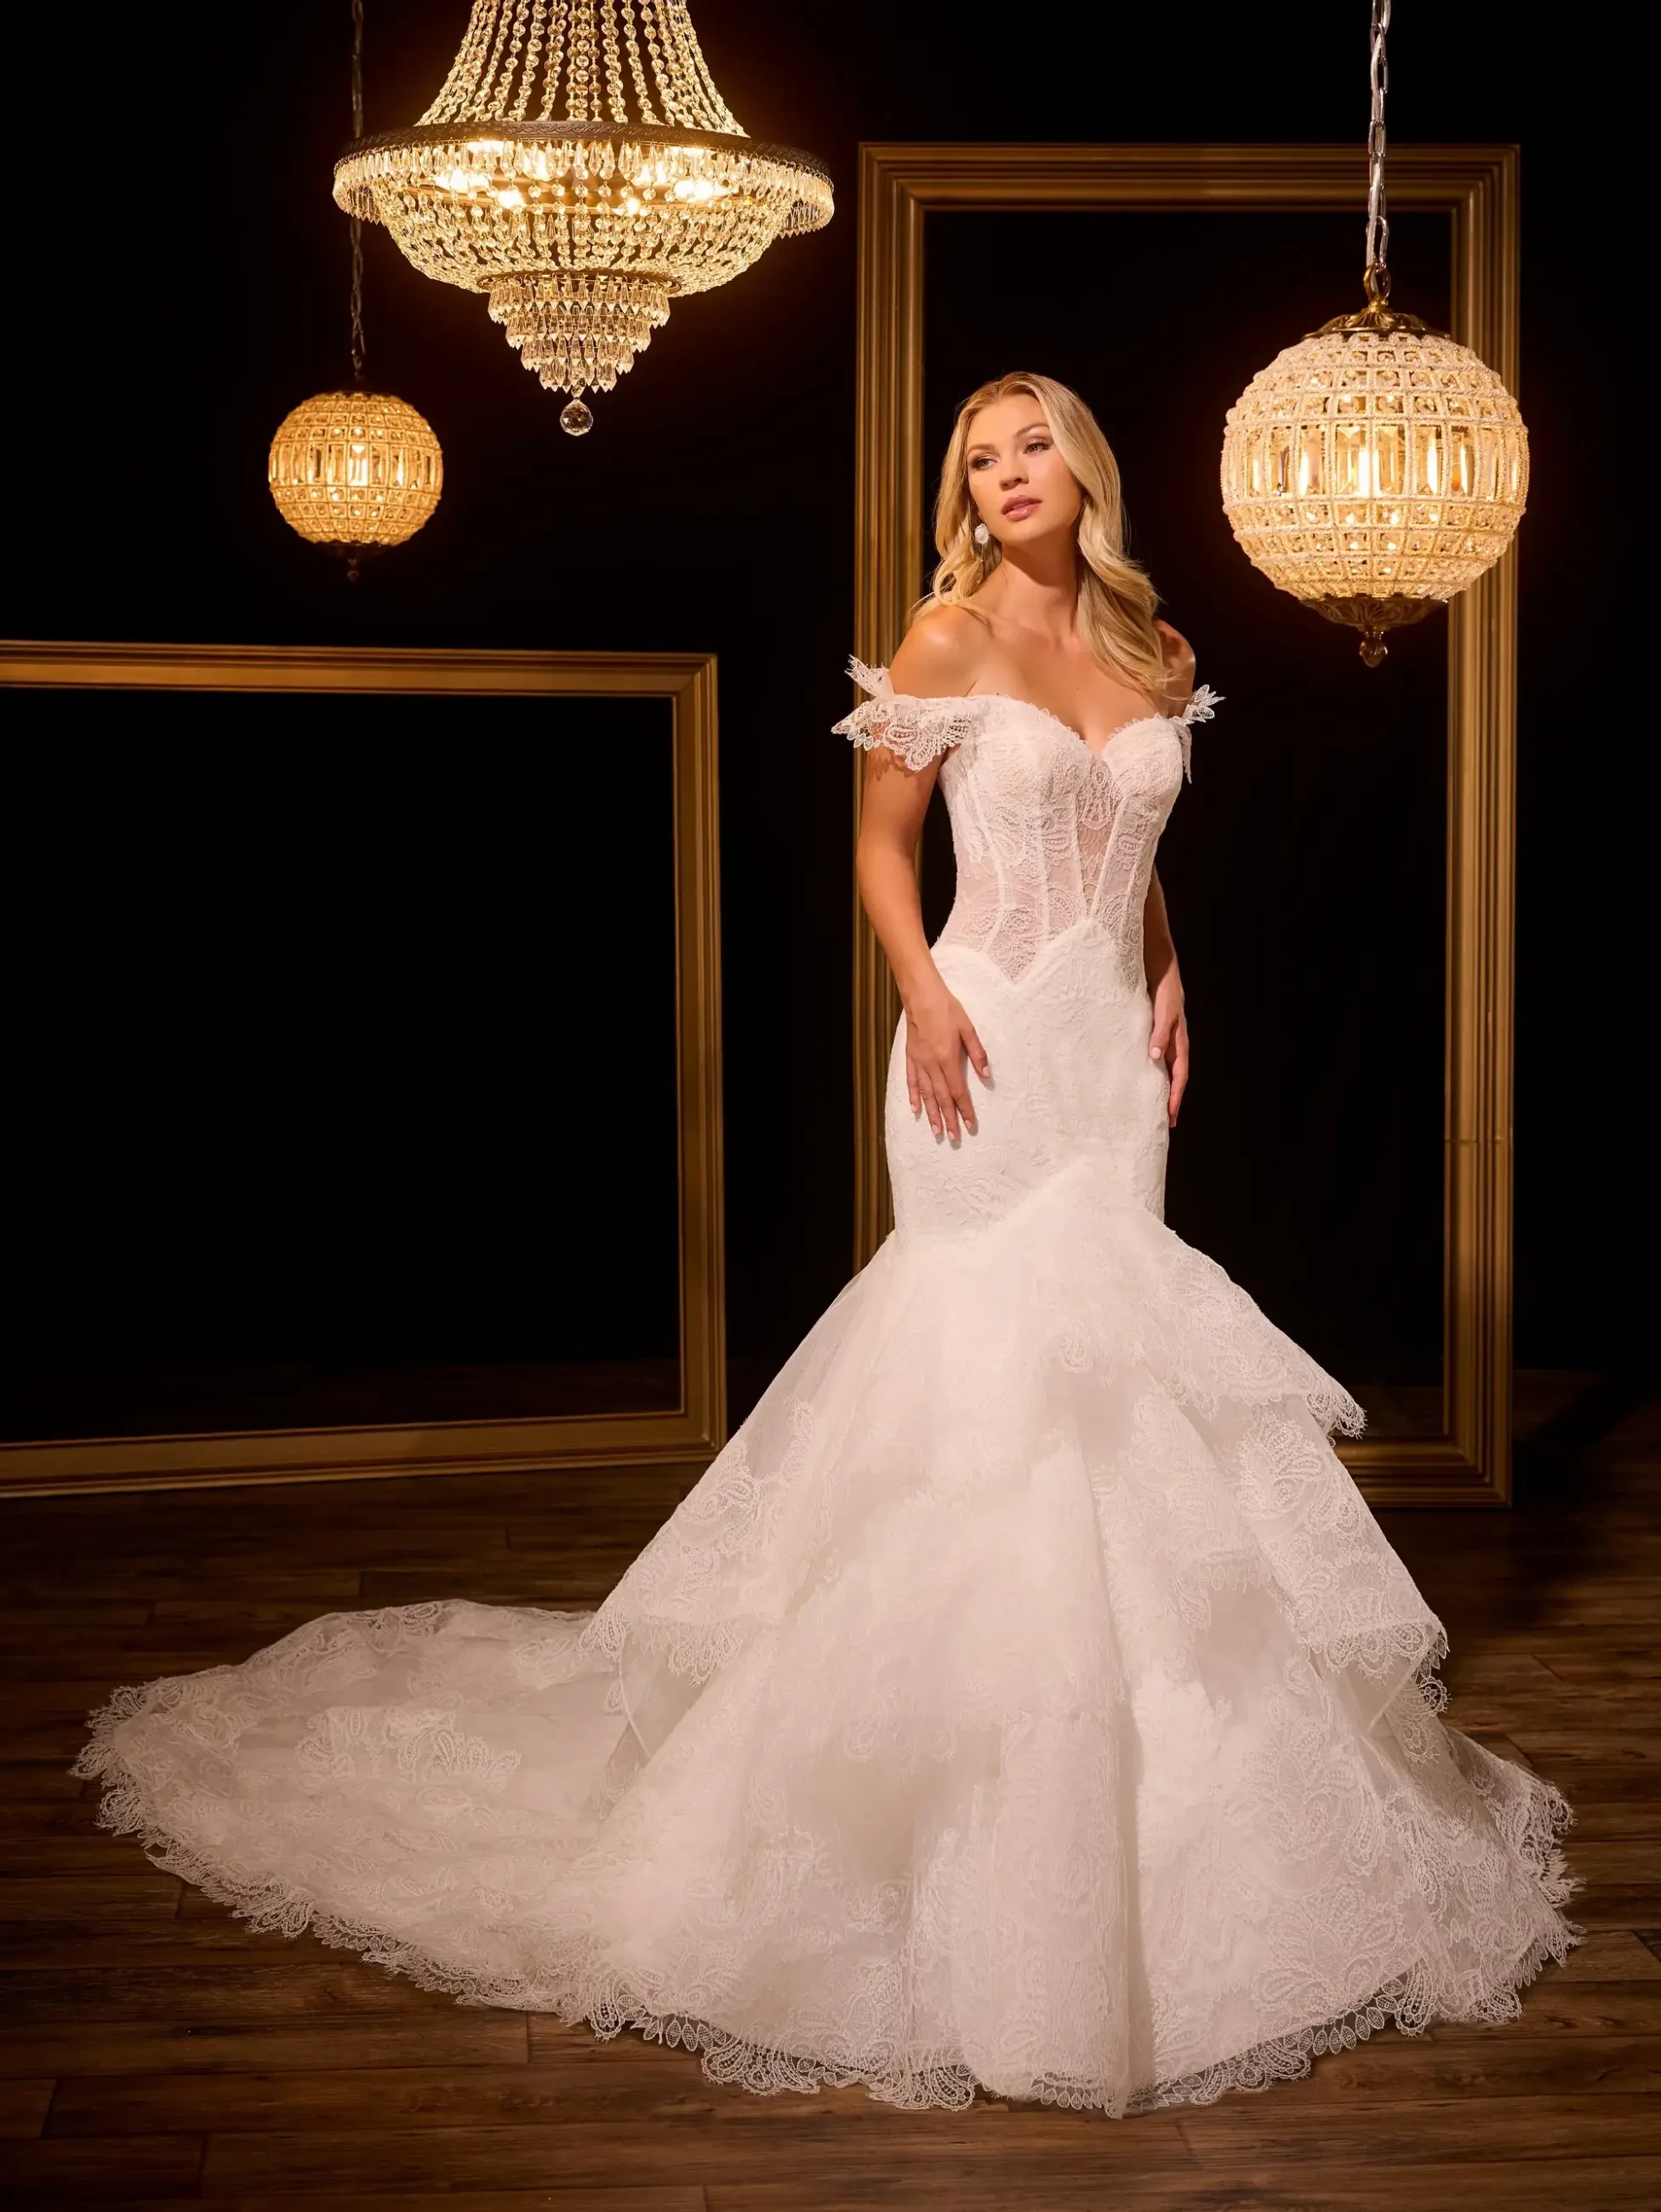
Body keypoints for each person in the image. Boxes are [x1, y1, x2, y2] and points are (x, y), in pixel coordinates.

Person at [77, 370, 1577, 2118]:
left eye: (1030, 447)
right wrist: (927, 998)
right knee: (981, 1380)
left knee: (1118, 1393)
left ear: (1084, 471)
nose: (1006, 474)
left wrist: (1173, 969)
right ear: (966, 488)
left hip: (1105, 1062)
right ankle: (924, 1825)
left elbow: (1138, 836)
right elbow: (879, 849)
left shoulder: (1159, 657)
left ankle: (1163, 1815)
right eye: (978, 456)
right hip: (985, 1039)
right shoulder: (938, 641)